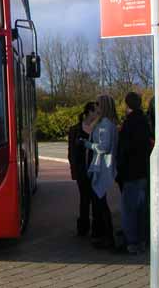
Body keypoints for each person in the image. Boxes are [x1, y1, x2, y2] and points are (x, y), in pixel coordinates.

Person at [116, 92, 151, 254]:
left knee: (129, 209)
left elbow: (125, 149)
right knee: (142, 209)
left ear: (127, 104)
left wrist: (120, 170)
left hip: (131, 172)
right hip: (143, 170)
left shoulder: (129, 123)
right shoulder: (145, 121)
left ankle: (132, 243)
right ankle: (143, 240)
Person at [83, 94, 119, 249]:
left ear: (102, 106)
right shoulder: (108, 123)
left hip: (102, 167)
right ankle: (105, 236)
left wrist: (87, 144)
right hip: (102, 167)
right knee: (100, 202)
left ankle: (107, 237)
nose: (95, 106)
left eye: (97, 103)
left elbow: (103, 147)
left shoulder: (105, 124)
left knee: (100, 203)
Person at [67, 101, 99, 237]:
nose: (98, 114)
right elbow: (71, 153)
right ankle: (84, 227)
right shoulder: (75, 129)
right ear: (89, 112)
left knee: (97, 198)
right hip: (82, 170)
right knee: (84, 198)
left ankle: (98, 228)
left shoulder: (99, 128)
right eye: (96, 112)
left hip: (96, 169)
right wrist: (74, 171)